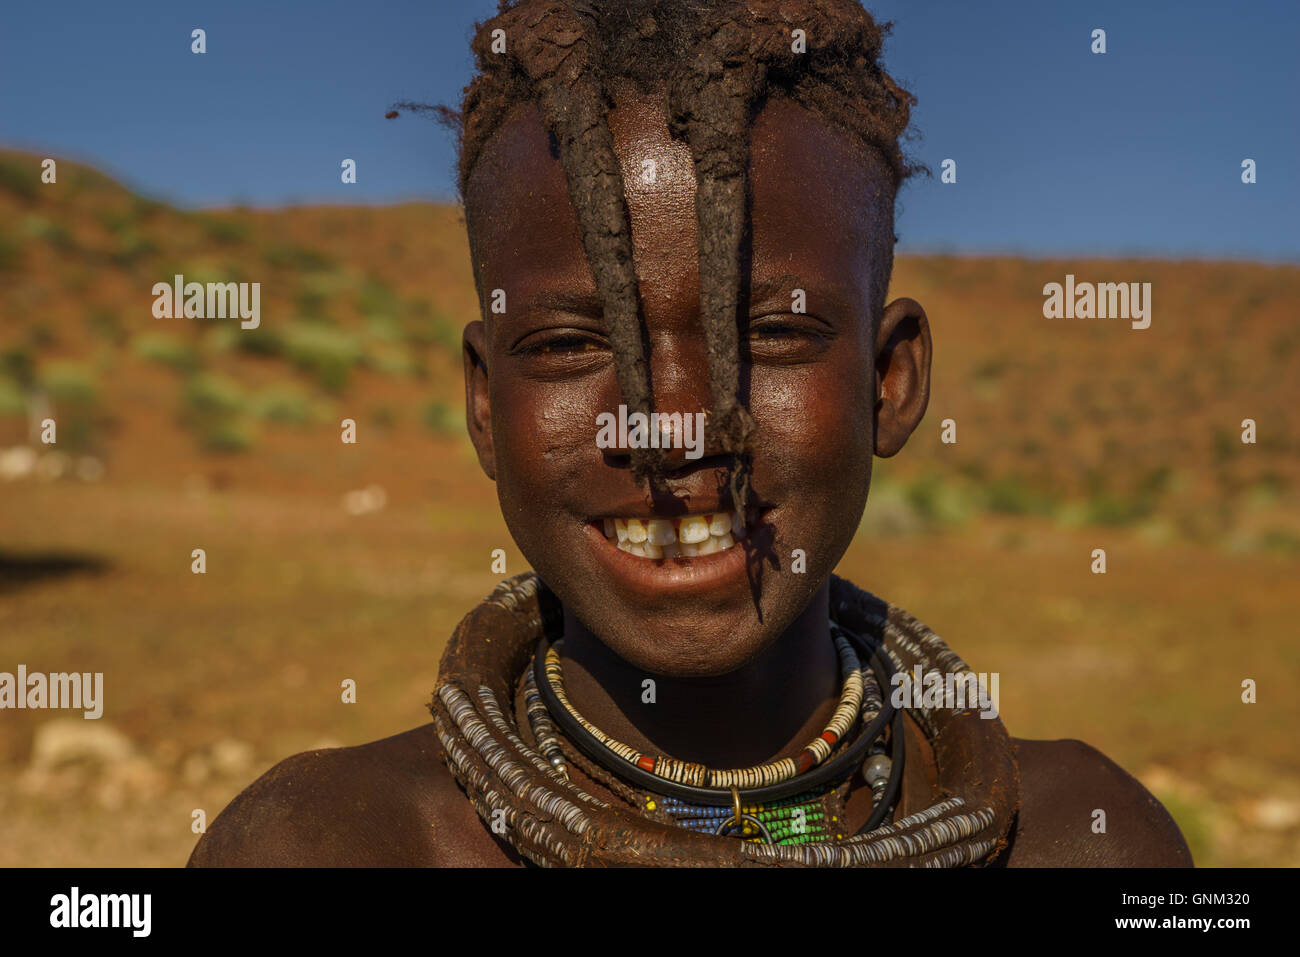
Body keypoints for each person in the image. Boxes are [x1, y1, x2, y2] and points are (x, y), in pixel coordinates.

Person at [189, 0, 1191, 867]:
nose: (670, 431)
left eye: (771, 333)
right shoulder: (324, 848)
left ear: (890, 380)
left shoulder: (1080, 842)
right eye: (573, 344)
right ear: (487, 407)